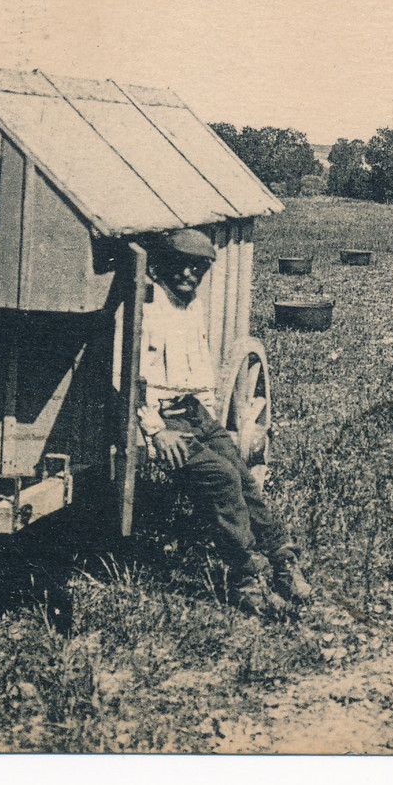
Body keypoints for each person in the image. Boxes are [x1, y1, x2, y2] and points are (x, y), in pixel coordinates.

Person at [136, 227, 313, 617]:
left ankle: (283, 561)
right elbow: (126, 375)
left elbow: (198, 365)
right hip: (161, 418)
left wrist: (209, 417)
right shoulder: (144, 309)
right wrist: (155, 431)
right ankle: (246, 578)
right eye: (181, 266)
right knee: (221, 478)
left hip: (194, 411)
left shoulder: (191, 306)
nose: (189, 276)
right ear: (160, 267)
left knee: (244, 477)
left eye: (197, 268)